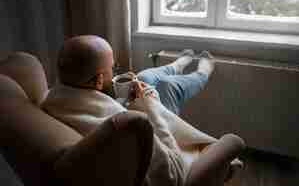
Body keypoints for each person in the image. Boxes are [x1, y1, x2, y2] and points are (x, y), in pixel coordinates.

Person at [42, 35, 244, 186]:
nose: (116, 70)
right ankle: (202, 72)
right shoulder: (123, 125)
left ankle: (176, 65)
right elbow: (173, 170)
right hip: (169, 149)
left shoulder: (51, 99)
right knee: (168, 87)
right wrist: (149, 103)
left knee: (144, 77)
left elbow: (97, 110)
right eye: (113, 67)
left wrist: (129, 100)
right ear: (98, 80)